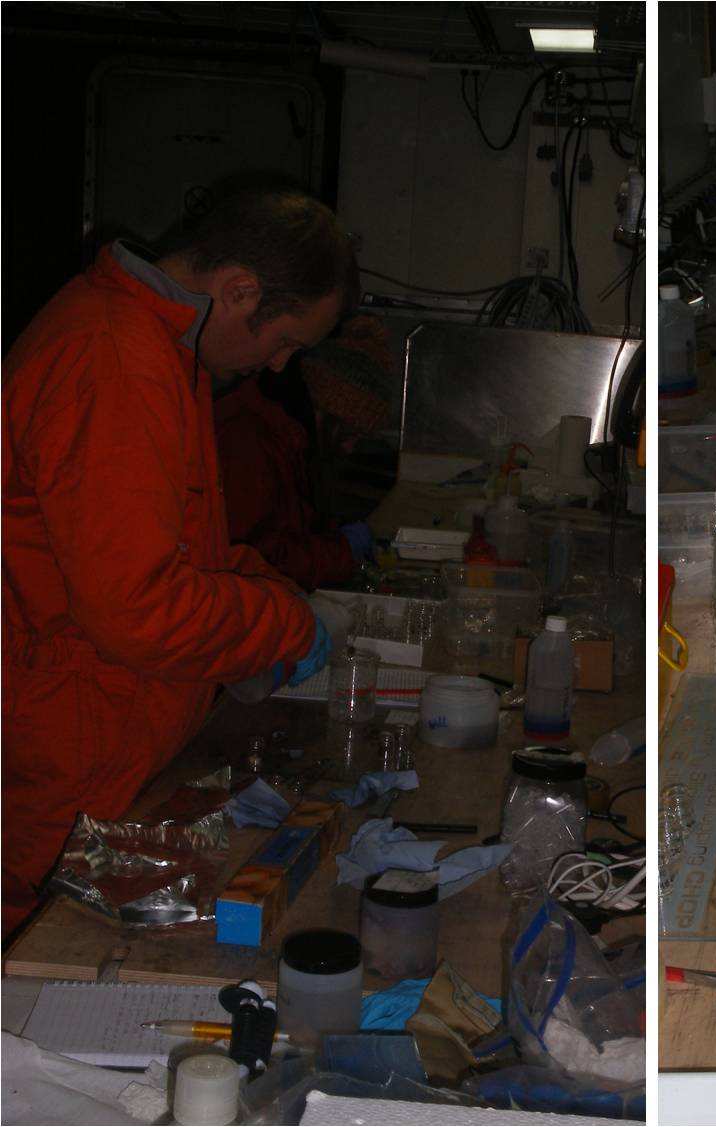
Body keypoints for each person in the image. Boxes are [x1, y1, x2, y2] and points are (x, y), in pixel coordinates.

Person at [2, 186, 353, 939]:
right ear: (241, 290)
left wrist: (272, 590)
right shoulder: (114, 359)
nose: (278, 365)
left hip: (111, 742)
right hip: (66, 758)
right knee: (41, 964)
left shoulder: (158, 342)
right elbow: (138, 608)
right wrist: (283, 624)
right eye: (286, 341)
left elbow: (181, 547)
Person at [215, 313, 394, 591]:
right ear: (324, 410)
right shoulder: (249, 441)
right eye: (348, 434)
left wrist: (335, 539)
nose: (349, 449)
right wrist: (342, 551)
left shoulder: (293, 444)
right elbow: (258, 563)